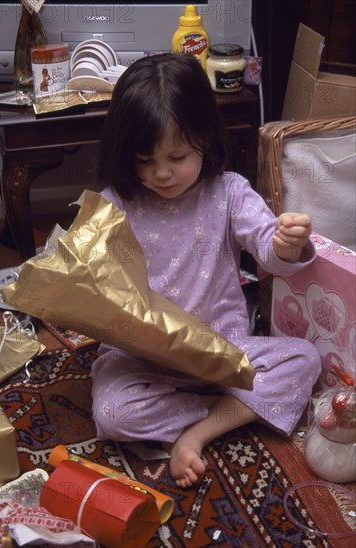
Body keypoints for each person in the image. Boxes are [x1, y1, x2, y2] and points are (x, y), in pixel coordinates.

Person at [92, 53, 321, 488]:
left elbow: (268, 253)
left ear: (205, 138)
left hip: (221, 352)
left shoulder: (229, 191)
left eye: (177, 156)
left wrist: (286, 245)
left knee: (303, 360)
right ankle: (228, 408)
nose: (161, 174)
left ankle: (196, 433)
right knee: (111, 413)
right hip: (143, 360)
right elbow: (89, 284)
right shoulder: (113, 205)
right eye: (144, 160)